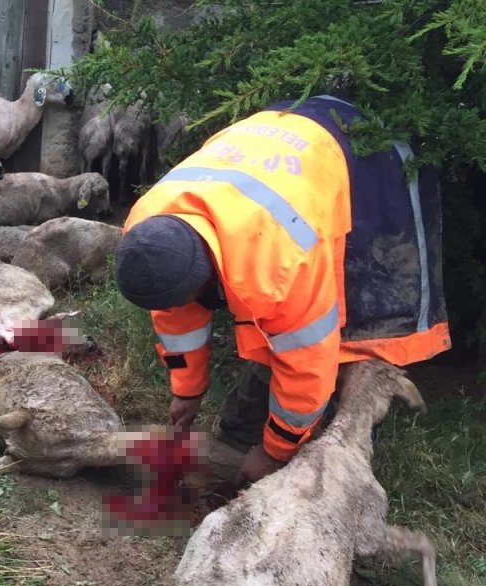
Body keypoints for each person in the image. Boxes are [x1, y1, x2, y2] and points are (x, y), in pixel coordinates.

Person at [114, 94, 450, 488]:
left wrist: (274, 452)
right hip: (285, 144)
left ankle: (348, 453)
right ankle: (247, 432)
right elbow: (177, 314)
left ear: (210, 277)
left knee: (363, 326)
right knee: (277, 321)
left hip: (368, 162)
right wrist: (187, 389)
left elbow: (306, 362)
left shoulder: (281, 261)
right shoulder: (150, 232)